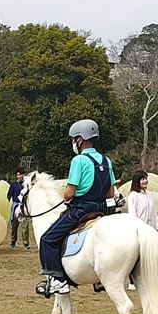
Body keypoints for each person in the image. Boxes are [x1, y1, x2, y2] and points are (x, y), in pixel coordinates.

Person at [38, 119, 115, 297]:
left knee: (47, 239)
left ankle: (57, 281)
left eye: (74, 139)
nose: (74, 143)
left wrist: (66, 195)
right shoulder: (106, 160)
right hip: (102, 209)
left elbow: (69, 194)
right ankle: (98, 279)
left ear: (80, 139)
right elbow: (110, 193)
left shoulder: (79, 160)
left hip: (81, 210)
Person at [7, 168, 31, 250]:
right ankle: (13, 242)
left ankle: (26, 243)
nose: (19, 176)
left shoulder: (26, 185)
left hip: (23, 207)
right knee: (14, 225)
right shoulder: (13, 185)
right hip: (15, 206)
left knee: (25, 226)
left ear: (24, 175)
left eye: (20, 174)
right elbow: (8, 196)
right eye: (17, 175)